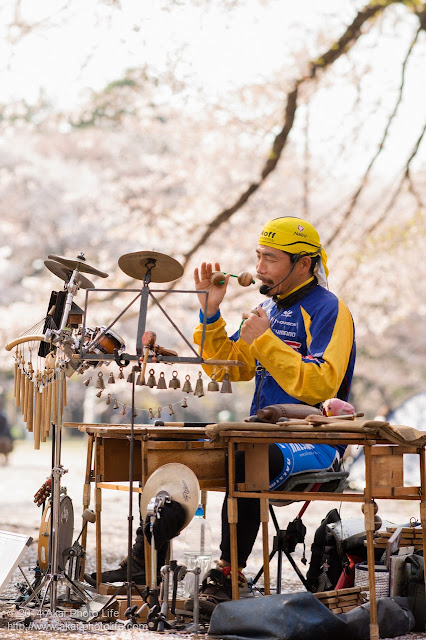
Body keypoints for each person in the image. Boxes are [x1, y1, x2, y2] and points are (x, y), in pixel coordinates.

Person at [185, 216, 356, 615]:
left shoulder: (331, 309)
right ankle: (147, 566)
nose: (259, 268)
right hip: (262, 436)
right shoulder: (263, 307)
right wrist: (210, 316)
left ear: (304, 264)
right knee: (184, 452)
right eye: (258, 256)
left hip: (316, 443)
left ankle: (228, 575)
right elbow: (228, 370)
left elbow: (319, 385)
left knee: (246, 459)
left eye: (271, 260)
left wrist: (265, 339)